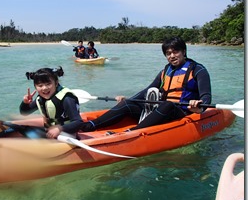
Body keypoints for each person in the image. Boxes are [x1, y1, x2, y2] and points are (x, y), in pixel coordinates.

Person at [81, 37, 212, 132]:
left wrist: (199, 107)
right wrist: (130, 100)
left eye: (175, 52)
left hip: (181, 111)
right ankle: (91, 125)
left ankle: (135, 131)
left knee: (168, 105)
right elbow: (149, 90)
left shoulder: (198, 70)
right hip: (160, 110)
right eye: (168, 53)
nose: (172, 56)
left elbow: (206, 97)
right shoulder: (166, 71)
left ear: (183, 52)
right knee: (127, 104)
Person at [20, 66, 83, 139]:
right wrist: (25, 103)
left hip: (66, 134)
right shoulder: (41, 99)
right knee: (18, 129)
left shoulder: (66, 98)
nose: (44, 88)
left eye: (48, 84)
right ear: (35, 87)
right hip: (49, 131)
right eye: (40, 85)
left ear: (56, 83)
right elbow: (24, 112)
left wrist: (59, 128)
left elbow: (78, 123)